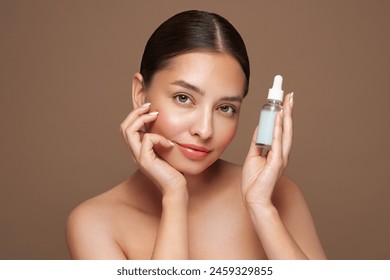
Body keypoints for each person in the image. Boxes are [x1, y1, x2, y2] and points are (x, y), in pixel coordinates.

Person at [66, 10, 326, 260]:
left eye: (225, 108)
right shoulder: (94, 223)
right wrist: (175, 196)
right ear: (139, 93)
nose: (204, 130)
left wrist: (261, 208)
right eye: (183, 98)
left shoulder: (276, 193)